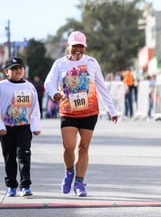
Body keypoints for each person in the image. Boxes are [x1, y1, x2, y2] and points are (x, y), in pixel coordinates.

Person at [44, 31, 118, 197]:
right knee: (68, 147)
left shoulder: (92, 62)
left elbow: (101, 86)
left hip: (89, 111)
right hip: (68, 110)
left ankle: (79, 182)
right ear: (68, 46)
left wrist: (111, 110)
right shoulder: (59, 64)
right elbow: (48, 82)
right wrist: (54, 93)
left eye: (81, 46)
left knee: (83, 147)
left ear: (84, 48)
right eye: (74, 46)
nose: (78, 49)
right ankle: (69, 171)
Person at [0, 57, 41, 197]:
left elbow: (35, 108)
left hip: (24, 127)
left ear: (24, 70)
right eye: (14, 68)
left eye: (20, 68)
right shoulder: (2, 86)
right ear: (7, 71)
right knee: (9, 156)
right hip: (6, 129)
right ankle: (11, 185)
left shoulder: (29, 86)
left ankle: (25, 185)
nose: (18, 71)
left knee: (24, 155)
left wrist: (35, 126)